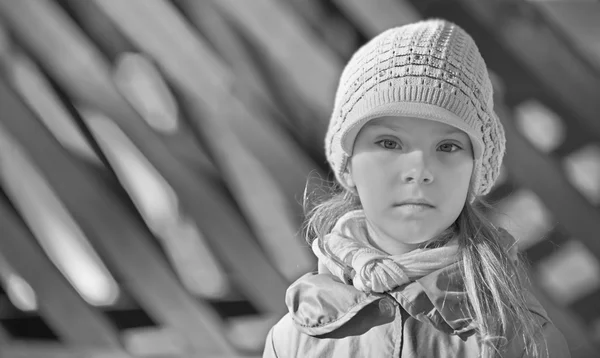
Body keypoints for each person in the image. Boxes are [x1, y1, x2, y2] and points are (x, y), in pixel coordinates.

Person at [262, 19, 570, 357]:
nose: (419, 170)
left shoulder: (521, 339)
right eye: (389, 142)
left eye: (448, 146)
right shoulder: (293, 340)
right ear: (349, 164)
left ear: (474, 173)